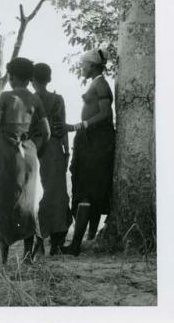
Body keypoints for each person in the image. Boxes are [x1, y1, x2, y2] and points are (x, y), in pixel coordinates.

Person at [0, 57, 51, 264]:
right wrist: (33, 147)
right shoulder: (36, 99)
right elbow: (46, 132)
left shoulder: (6, 96)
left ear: (12, 77)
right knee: (27, 203)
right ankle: (26, 256)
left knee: (5, 201)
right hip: (29, 154)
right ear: (29, 77)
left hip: (7, 154)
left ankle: (3, 258)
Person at [61, 48, 115, 256]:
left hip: (96, 146)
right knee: (90, 191)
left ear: (93, 66)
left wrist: (78, 126)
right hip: (93, 143)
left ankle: (76, 244)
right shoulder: (97, 83)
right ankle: (88, 238)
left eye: (84, 64)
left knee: (86, 190)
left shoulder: (100, 84)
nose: (82, 68)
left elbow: (105, 115)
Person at [31, 63, 72, 257]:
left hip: (33, 147)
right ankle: (56, 243)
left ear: (32, 80)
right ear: (49, 79)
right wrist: (66, 152)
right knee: (57, 195)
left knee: (36, 194)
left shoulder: (29, 99)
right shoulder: (57, 99)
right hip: (54, 148)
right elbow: (62, 128)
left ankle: (38, 241)